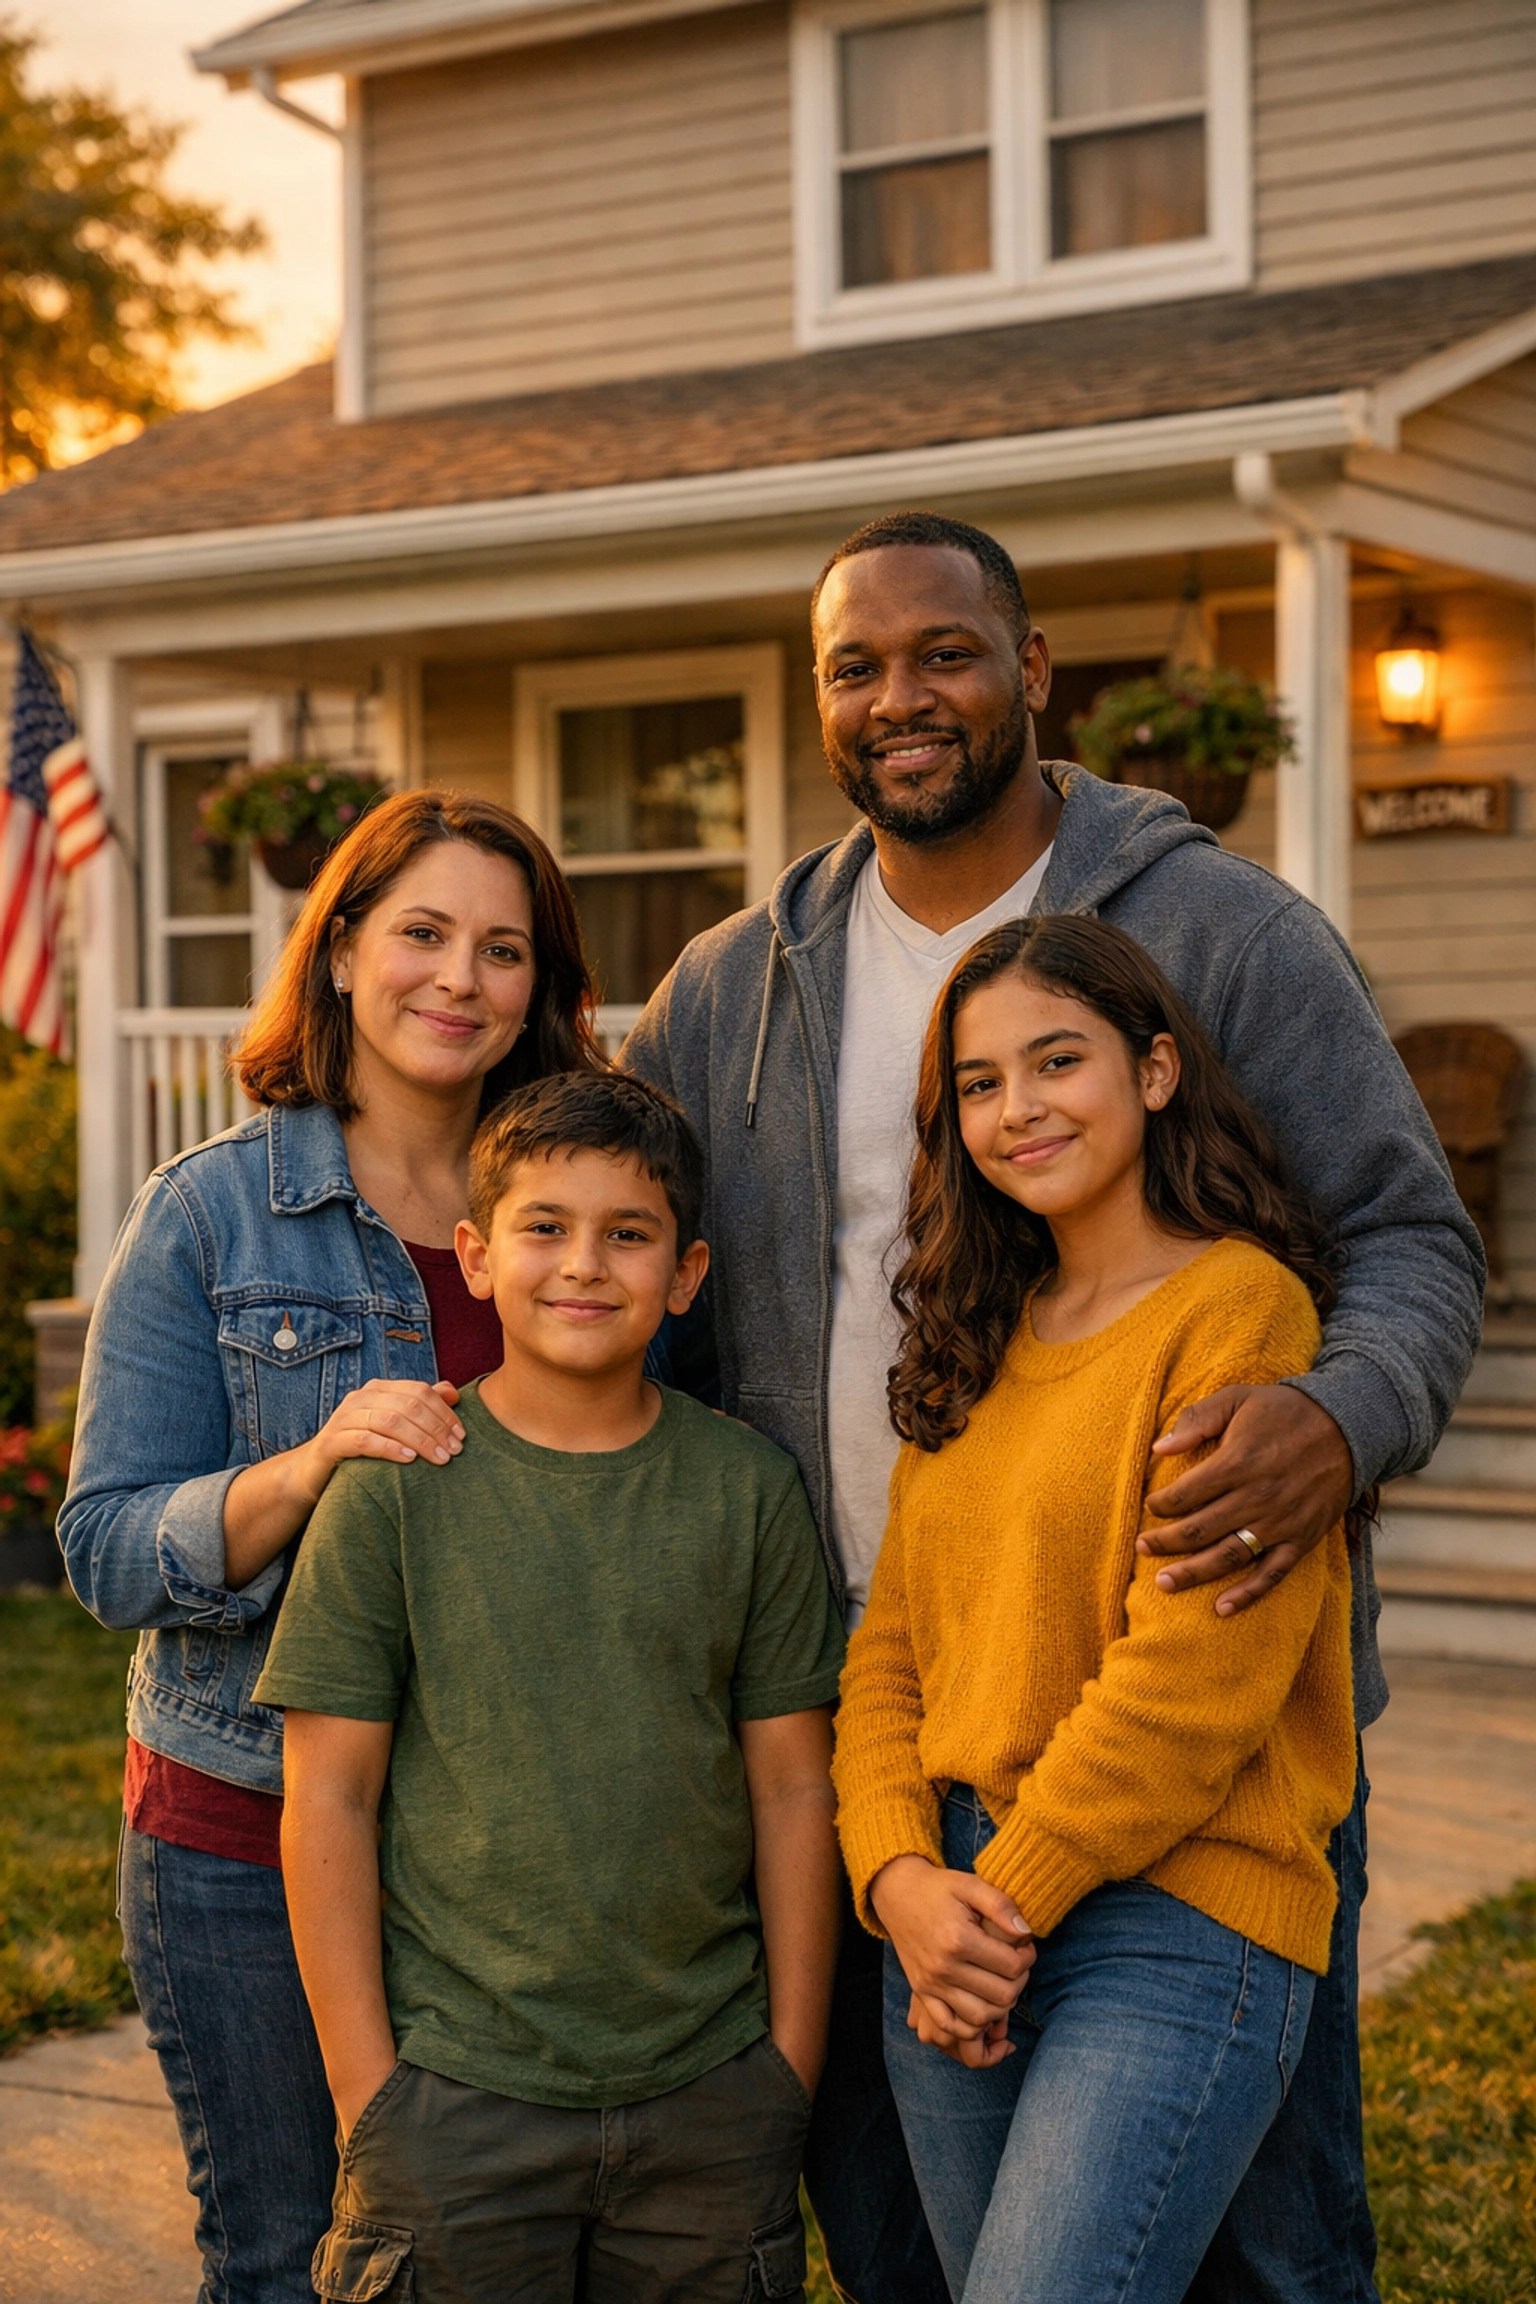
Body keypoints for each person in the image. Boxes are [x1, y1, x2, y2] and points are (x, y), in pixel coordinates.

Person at [623, 509, 1484, 2304]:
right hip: (878, 1712)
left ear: (1031, 671)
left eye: (944, 651)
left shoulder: (1222, 931)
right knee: (904, 2234)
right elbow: (618, 1263)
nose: (899, 696)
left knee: (1254, 2247)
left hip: (1180, 1698)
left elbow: (1409, 1235)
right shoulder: (733, 985)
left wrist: (1338, 1417)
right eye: (854, 665)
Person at [60, 790, 602, 2304]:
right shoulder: (213, 1217)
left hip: (516, 1851)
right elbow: (104, 1548)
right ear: (345, 949)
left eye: (504, 950)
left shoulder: (585, 1203)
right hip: (244, 1832)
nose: (459, 979)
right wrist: (309, 1464)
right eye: (422, 932)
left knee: (500, 2263)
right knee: (296, 2259)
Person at [254, 1070, 845, 2302]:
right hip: (457, 2105)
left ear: (683, 1277)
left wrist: (787, 2064)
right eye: (545, 1228)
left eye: (627, 1235)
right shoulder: (396, 1489)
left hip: (709, 2096)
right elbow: (328, 1801)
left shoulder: (747, 1490)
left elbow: (793, 1790)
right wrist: (373, 2096)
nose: (585, 1264)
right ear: (474, 1257)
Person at [834, 913, 1357, 2304]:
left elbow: (1196, 1679)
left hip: (1171, 1908)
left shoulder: (1239, 1313)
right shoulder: (976, 1330)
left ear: (1158, 1071)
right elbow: (892, 1657)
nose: (1020, 1111)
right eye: (982, 1086)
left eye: (1057, 1061)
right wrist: (898, 1884)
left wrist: (1003, 1902)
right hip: (949, 1907)